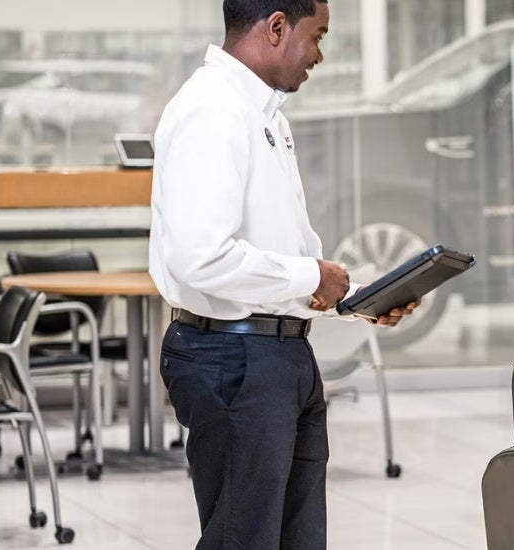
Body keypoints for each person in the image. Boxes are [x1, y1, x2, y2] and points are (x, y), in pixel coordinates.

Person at [149, 1, 415, 547]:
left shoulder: (267, 115)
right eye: (316, 36)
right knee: (243, 539)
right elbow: (201, 257)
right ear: (276, 26)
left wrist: (360, 296)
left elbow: (288, 255)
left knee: (298, 539)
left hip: (281, 354)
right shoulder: (212, 110)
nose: (319, 55)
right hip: (232, 358)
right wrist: (308, 275)